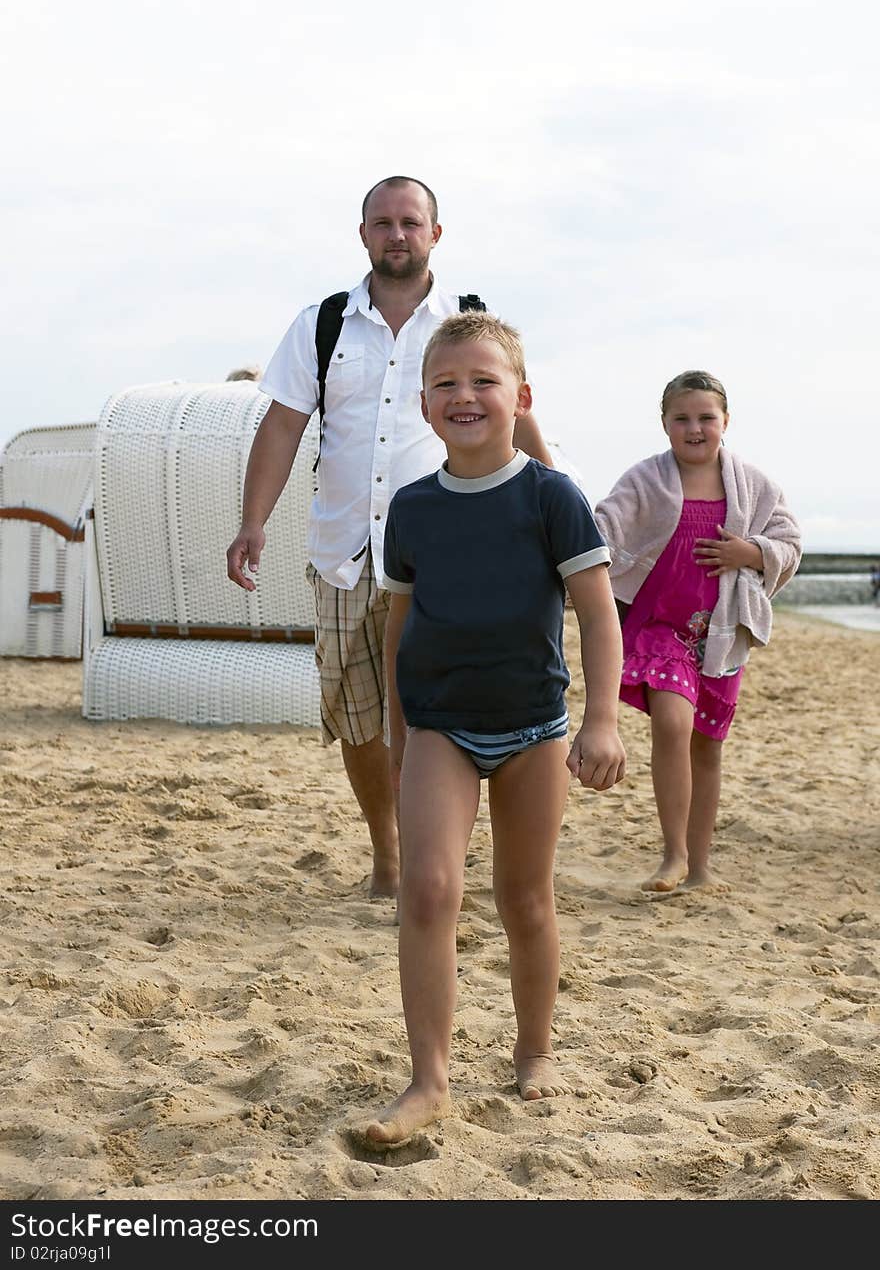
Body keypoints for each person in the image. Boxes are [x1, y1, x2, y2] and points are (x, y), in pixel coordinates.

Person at [226, 177, 554, 899]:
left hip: (446, 554)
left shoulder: (471, 324)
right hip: (343, 554)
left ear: (436, 233)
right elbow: (282, 426)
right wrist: (253, 521)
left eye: (411, 222)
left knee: (435, 711)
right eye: (383, 223)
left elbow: (517, 417)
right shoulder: (323, 324)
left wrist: (553, 508)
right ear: (363, 234)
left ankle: (429, 859)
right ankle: (389, 846)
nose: (396, 234)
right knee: (357, 719)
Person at [357, 312, 626, 1147]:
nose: (464, 396)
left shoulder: (552, 498)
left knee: (524, 899)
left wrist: (603, 719)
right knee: (430, 889)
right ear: (423, 402)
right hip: (438, 725)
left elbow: (596, 613)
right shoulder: (410, 508)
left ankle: (535, 1047)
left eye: (484, 381)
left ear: (522, 396)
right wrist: (402, 736)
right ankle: (428, 1078)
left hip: (535, 728)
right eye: (445, 383)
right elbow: (399, 629)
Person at [595, 370, 802, 893]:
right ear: (664, 424)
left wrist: (750, 553)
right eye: (681, 418)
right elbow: (603, 526)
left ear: (725, 422)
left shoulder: (753, 484)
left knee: (707, 746)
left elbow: (789, 540)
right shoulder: (645, 479)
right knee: (671, 723)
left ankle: (700, 866)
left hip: (722, 633)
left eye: (706, 418)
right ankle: (672, 855)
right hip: (660, 626)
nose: (694, 428)